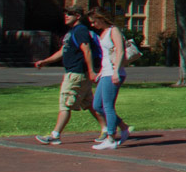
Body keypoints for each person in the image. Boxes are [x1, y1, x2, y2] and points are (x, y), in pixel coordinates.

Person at [32, 8, 111, 145]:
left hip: (76, 74)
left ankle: (55, 135)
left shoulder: (80, 30)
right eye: (65, 14)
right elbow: (63, 51)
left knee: (65, 104)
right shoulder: (71, 32)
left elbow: (86, 50)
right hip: (77, 74)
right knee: (90, 104)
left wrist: (91, 71)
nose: (66, 16)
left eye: (69, 14)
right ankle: (107, 129)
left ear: (78, 16)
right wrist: (45, 61)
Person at [86, 8, 132, 150]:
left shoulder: (114, 30)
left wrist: (116, 72)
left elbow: (120, 51)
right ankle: (123, 127)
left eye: (94, 22)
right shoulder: (103, 33)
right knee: (97, 105)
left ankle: (111, 138)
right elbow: (106, 55)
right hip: (105, 72)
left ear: (101, 18)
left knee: (107, 106)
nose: (93, 25)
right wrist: (100, 71)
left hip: (113, 72)